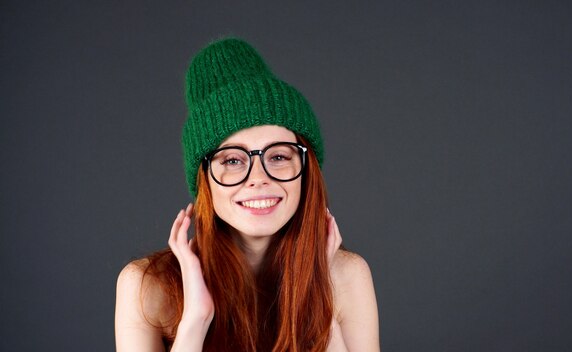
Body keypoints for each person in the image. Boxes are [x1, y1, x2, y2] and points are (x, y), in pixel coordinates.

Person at [114, 38, 379, 351]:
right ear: (204, 182)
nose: (258, 178)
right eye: (232, 160)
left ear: (307, 173)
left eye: (279, 156)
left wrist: (317, 294)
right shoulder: (147, 286)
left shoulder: (347, 275)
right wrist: (196, 320)